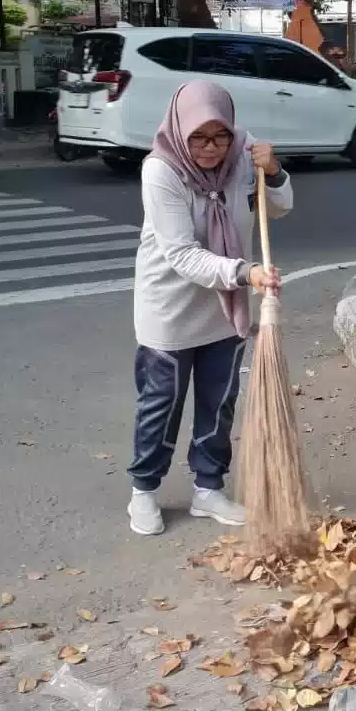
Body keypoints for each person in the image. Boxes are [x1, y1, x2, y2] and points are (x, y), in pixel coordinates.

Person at [128, 81, 294, 537]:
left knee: (218, 403)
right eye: (199, 137)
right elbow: (180, 254)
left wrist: (274, 171)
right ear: (180, 131)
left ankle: (208, 487)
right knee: (161, 404)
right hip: (170, 308)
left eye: (220, 136)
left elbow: (279, 207)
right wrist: (246, 273)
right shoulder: (161, 171)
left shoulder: (241, 156)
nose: (210, 148)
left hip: (224, 307)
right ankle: (144, 490)